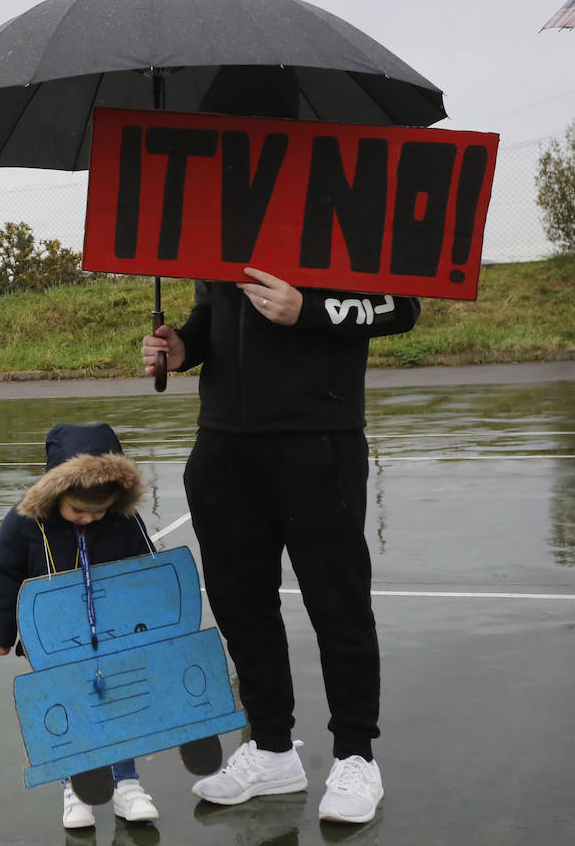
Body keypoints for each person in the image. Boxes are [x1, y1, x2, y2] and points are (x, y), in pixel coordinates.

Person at [141, 268, 421, 824]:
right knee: (241, 608)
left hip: (320, 439)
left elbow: (402, 307)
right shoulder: (217, 218)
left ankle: (356, 755)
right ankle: (271, 747)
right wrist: (184, 347)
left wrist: (307, 310)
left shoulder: (344, 205)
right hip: (222, 444)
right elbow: (211, 314)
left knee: (337, 604)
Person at [0, 422, 160, 830]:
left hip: (114, 639)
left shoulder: (122, 521)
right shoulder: (24, 524)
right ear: (55, 492)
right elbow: (2, 576)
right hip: (53, 640)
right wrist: (0, 634)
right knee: (67, 708)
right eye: (79, 511)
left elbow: (148, 573)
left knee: (119, 704)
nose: (90, 518)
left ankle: (126, 782)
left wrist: (154, 624)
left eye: (99, 511)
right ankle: (74, 786)